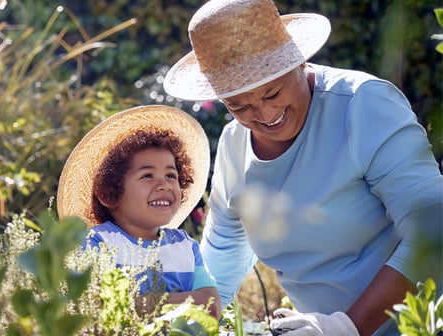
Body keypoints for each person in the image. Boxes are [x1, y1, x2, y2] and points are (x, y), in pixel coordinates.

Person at [163, 0, 443, 335]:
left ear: (298, 61)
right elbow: (221, 260)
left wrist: (346, 326)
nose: (266, 116)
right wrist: (186, 326)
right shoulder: (234, 146)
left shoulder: (362, 105)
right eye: (240, 105)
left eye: (273, 93)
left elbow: (433, 229)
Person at [56, 105, 221, 319]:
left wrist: (141, 303)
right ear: (110, 193)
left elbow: (211, 304)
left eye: (171, 176)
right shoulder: (97, 243)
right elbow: (97, 306)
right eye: (147, 176)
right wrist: (184, 302)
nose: (164, 185)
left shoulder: (185, 246)